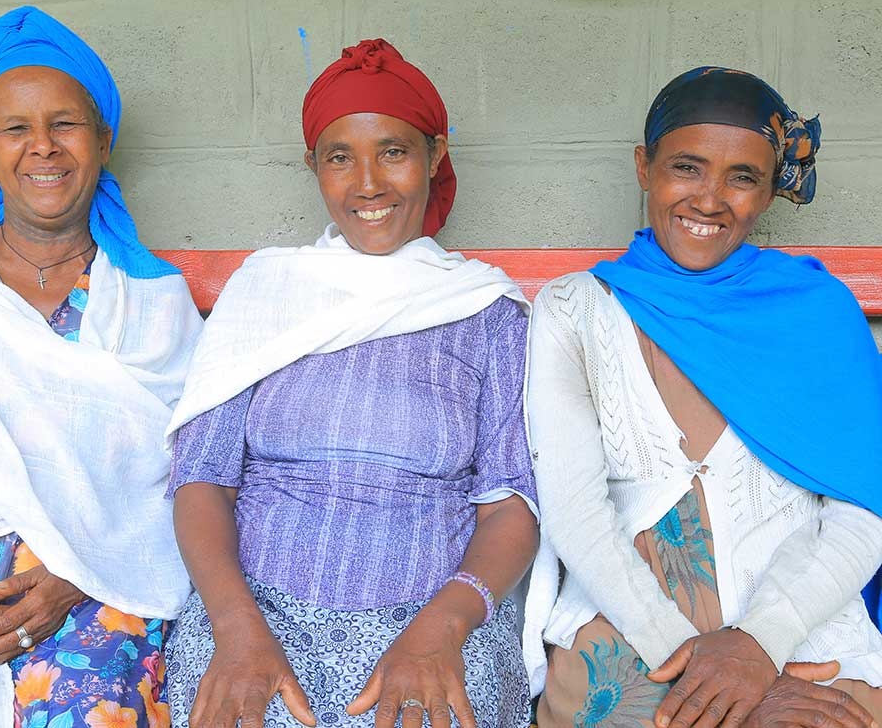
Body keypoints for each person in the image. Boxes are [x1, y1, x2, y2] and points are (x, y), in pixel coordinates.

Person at [163, 39, 538, 728]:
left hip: (431, 618)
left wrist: (444, 629)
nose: (368, 183)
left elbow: (511, 502)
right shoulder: (265, 292)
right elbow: (199, 479)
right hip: (254, 612)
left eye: (393, 151)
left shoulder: (486, 311)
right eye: (341, 157)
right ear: (315, 167)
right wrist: (236, 627)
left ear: (434, 155)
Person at [523, 65, 882, 728]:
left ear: (769, 190)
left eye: (743, 176)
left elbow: (867, 508)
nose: (710, 198)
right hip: (631, 631)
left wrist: (759, 645)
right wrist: (706, 666)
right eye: (686, 167)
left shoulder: (816, 314)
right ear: (644, 167)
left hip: (805, 626)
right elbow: (574, 511)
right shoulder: (574, 309)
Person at [0, 6, 202, 728]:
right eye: (15, 130)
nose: (43, 148)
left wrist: (73, 574)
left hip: (92, 592)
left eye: (65, 123)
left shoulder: (152, 305)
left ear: (103, 139)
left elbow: (188, 481)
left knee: (98, 700)